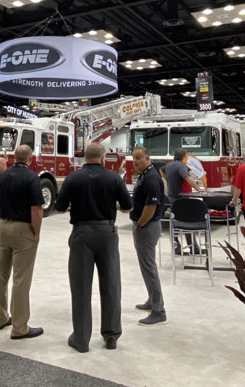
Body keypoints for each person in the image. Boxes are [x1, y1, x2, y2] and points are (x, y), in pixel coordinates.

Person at [55, 142, 132, 353]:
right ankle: (111, 335)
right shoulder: (114, 178)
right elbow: (127, 206)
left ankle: (80, 339)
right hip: (107, 233)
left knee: (80, 287)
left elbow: (59, 208)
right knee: (111, 284)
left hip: (82, 233)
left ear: (84, 158)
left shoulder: (72, 178)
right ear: (103, 158)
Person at [0, 144, 45, 340]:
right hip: (23, 229)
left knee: (1, 274)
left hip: (4, 225)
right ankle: (20, 326)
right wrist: (36, 232)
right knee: (21, 278)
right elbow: (36, 209)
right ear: (30, 159)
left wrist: (0, 225)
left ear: (14, 157)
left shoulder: (1, 176)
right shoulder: (32, 177)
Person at [129, 147, 167, 326]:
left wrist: (141, 223)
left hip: (148, 227)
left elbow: (151, 207)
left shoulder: (151, 178)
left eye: (138, 158)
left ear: (147, 158)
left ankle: (159, 310)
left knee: (149, 267)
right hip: (144, 226)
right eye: (133, 158)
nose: (135, 161)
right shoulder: (146, 174)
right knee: (146, 267)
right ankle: (152, 300)